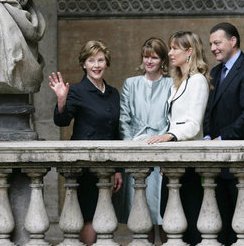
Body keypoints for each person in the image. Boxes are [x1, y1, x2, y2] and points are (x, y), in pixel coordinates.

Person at [49, 40, 122, 245]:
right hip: (86, 166)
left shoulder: (113, 93)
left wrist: (118, 169)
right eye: (91, 60)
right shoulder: (77, 91)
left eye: (100, 60)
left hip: (108, 165)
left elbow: (116, 132)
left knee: (106, 217)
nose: (96, 65)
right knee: (90, 216)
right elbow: (61, 121)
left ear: (106, 63)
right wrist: (62, 100)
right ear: (84, 64)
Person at [204, 22, 244, 246]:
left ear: (233, 41)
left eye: (217, 42)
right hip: (218, 163)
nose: (213, 48)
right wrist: (207, 137)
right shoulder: (215, 72)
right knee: (222, 225)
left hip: (243, 162)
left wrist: (222, 139)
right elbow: (209, 111)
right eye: (211, 43)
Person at [146, 31, 210, 246]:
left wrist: (169, 136)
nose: (170, 53)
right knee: (170, 220)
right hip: (173, 161)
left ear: (189, 51)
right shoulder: (178, 82)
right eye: (170, 48)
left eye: (175, 48)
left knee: (189, 224)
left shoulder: (198, 80)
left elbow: (193, 125)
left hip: (188, 162)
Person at [117, 37, 172, 243]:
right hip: (137, 149)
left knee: (165, 214)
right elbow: (124, 119)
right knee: (143, 213)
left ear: (162, 61)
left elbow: (172, 119)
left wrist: (165, 146)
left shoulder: (170, 84)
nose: (149, 61)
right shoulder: (131, 83)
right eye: (146, 57)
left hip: (162, 149)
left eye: (155, 57)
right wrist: (131, 149)